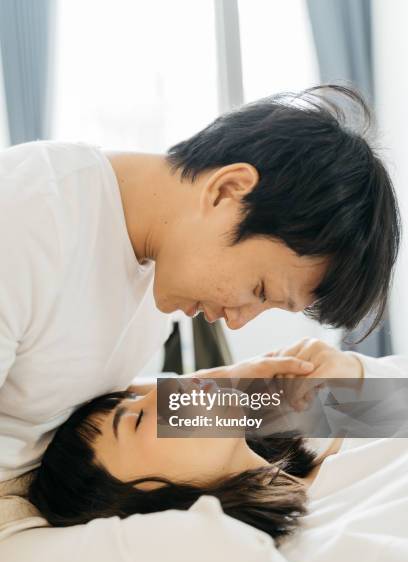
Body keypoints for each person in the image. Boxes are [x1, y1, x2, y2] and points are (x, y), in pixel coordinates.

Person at [0, 83, 401, 483]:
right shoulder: (25, 221)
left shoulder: (159, 251)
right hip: (21, 509)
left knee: (355, 401)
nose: (239, 321)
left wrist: (235, 389)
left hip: (67, 478)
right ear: (228, 190)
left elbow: (65, 408)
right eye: (260, 290)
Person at [26, 340, 408, 562]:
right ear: (140, 501)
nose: (165, 392)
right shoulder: (339, 560)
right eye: (138, 418)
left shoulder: (322, 425)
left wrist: (357, 375)